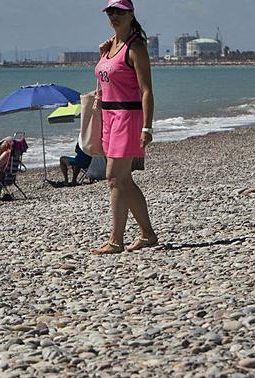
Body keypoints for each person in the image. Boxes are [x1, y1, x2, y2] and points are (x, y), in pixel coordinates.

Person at [90, 0, 158, 254]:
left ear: (131, 14)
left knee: (114, 178)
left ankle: (115, 240)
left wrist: (147, 127)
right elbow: (107, 78)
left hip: (128, 118)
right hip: (109, 118)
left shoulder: (135, 46)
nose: (114, 15)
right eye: (110, 11)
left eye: (119, 11)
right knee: (123, 180)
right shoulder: (109, 47)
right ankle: (148, 234)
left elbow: (147, 90)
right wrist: (102, 56)